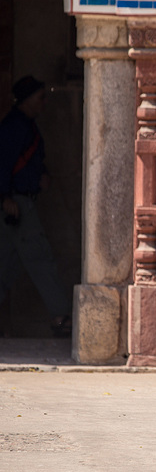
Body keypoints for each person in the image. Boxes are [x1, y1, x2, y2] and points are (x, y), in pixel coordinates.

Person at [0, 75, 71, 337]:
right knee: (40, 259)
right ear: (27, 99)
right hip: (16, 204)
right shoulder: (14, 127)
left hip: (19, 200)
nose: (45, 102)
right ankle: (60, 316)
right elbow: (3, 163)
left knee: (7, 267)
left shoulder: (26, 126)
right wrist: (5, 197)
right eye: (41, 97)